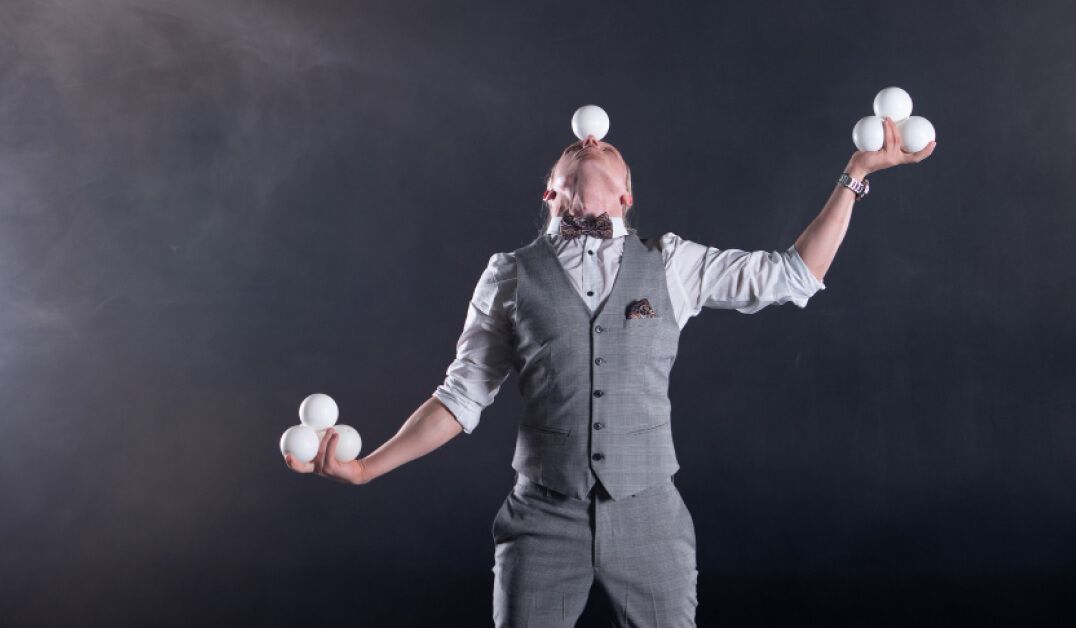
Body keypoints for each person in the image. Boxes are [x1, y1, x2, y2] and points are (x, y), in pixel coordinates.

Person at [284, 116, 935, 627]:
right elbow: (458, 398)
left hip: (651, 511)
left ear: (626, 192)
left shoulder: (673, 262)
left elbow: (796, 275)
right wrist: (366, 467)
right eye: (577, 148)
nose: (592, 137)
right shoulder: (508, 274)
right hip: (541, 515)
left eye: (608, 147)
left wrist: (855, 174)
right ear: (551, 190)